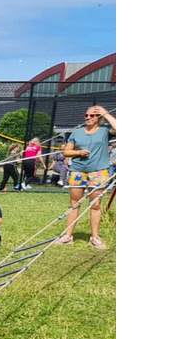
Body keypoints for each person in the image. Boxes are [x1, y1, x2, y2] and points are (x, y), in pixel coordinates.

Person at [53, 105, 117, 249]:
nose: (88, 118)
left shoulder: (105, 131)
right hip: (77, 171)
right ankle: (68, 236)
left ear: (98, 118)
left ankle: (95, 237)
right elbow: (66, 152)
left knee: (95, 205)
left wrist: (105, 113)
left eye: (92, 116)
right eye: (86, 115)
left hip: (99, 171)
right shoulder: (77, 132)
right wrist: (78, 153)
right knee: (74, 203)